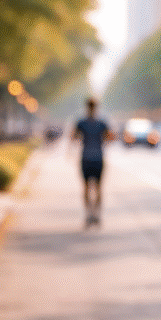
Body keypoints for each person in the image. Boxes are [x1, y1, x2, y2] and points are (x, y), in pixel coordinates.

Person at [72, 97, 113, 227]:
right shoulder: (102, 123)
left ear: (86, 107)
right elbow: (111, 137)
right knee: (99, 187)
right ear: (96, 108)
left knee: (86, 187)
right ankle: (96, 215)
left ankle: (89, 214)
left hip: (85, 158)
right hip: (98, 158)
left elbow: (73, 137)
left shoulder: (81, 122)